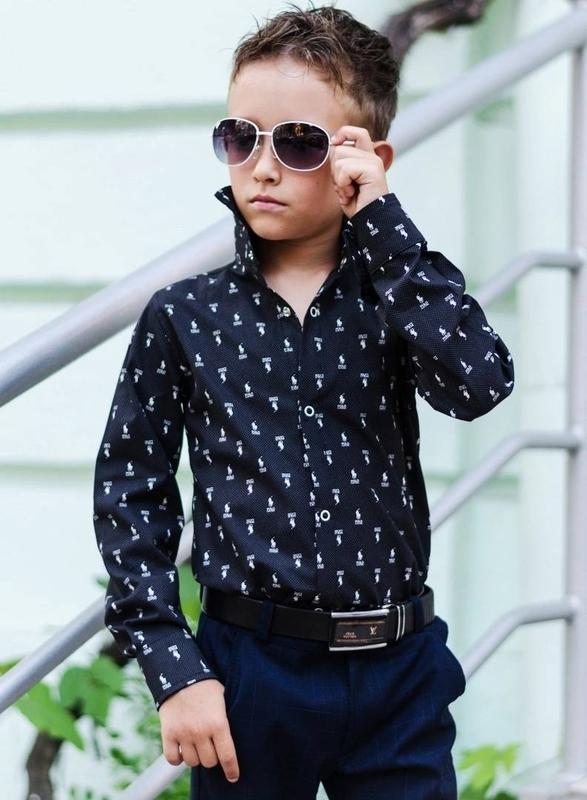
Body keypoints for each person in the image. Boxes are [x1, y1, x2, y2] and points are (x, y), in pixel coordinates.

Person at [92, 3, 515, 798]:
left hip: (398, 672)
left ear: (364, 157)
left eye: (297, 142)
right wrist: (175, 668)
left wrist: (382, 222)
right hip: (247, 674)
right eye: (240, 137)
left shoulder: (400, 291)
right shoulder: (185, 316)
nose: (262, 166)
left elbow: (478, 384)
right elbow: (130, 494)